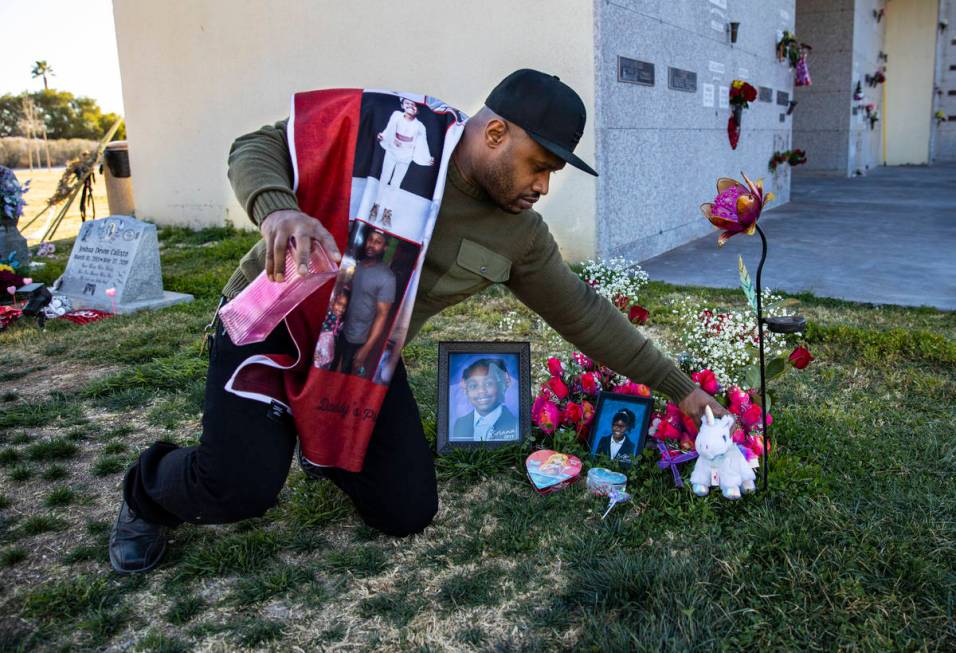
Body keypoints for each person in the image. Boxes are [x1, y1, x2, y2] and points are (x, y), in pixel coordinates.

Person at [109, 69, 726, 574]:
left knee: (405, 511)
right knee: (240, 488)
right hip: (273, 325)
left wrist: (682, 389)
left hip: (361, 355)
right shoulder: (392, 128)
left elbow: (585, 315)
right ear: (494, 134)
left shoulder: (521, 236)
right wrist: (276, 212)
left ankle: (324, 448)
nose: (542, 185)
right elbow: (258, 145)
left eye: (550, 175)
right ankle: (145, 492)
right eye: (538, 165)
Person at [330, 229, 396, 376]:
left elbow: (382, 316)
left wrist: (366, 349)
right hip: (342, 328)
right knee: (332, 363)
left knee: (344, 373)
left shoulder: (387, 278)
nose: (371, 245)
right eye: (370, 240)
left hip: (359, 337)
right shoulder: (360, 265)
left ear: (385, 248)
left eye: (377, 242)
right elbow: (356, 290)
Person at [370, 97, 435, 227]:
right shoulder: (396, 116)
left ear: (418, 109)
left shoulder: (419, 126)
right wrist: (383, 136)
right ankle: (376, 206)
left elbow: (422, 143)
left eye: (413, 105)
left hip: (406, 157)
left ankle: (387, 212)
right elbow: (389, 130)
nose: (410, 106)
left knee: (395, 184)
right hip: (391, 152)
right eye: (407, 104)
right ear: (403, 105)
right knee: (384, 179)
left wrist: (426, 157)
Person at [450, 358, 518, 441]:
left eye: (489, 384)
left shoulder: (515, 424)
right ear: (465, 389)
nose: (481, 391)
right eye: (473, 386)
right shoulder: (460, 424)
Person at [313, 290, 349, 369]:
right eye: (339, 304)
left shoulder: (340, 321)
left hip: (328, 357)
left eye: (344, 307)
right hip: (318, 353)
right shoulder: (326, 316)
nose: (341, 309)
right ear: (333, 302)